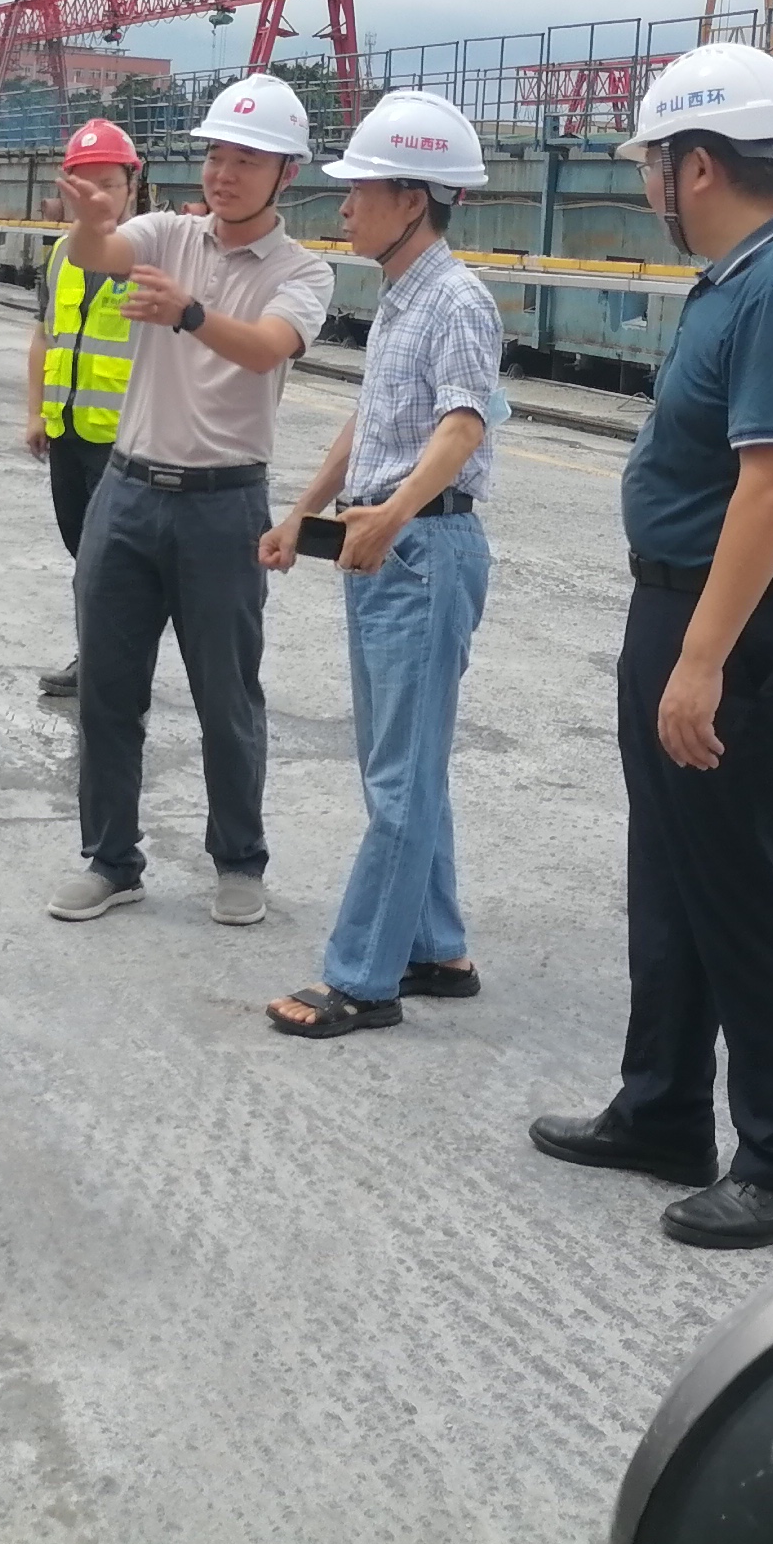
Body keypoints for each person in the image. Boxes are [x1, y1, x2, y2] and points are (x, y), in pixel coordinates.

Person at [530, 45, 773, 1250]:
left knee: (742, 892)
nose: (647, 186)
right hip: (694, 612)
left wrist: (700, 659)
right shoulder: (744, 278)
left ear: (701, 164)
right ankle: (663, 1106)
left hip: (743, 626)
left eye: (654, 164)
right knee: (674, 877)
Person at [45, 72, 334, 927]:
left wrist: (190, 313)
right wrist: (91, 222)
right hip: (128, 494)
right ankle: (111, 860)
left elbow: (267, 346)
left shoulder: (303, 271)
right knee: (108, 689)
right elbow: (99, 254)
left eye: (247, 160)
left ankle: (239, 860)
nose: (224, 174)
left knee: (226, 695)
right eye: (216, 156)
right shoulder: (167, 233)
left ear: (286, 174)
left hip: (223, 505)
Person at [259, 91, 503, 1038]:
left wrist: (393, 515)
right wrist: (303, 512)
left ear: (412, 198)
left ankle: (364, 978)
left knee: (399, 774)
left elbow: (463, 425)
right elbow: (372, 425)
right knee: (402, 764)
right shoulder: (405, 298)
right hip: (391, 545)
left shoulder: (457, 300)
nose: (345, 205)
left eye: (360, 189)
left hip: (422, 550)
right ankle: (437, 947)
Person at [26, 117, 143, 700]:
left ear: (132, 186)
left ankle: (107, 668)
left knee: (109, 561)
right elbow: (44, 336)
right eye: (83, 182)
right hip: (68, 433)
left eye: (108, 183)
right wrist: (36, 414)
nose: (96, 195)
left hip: (122, 442)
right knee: (81, 550)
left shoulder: (151, 256)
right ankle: (98, 657)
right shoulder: (61, 257)